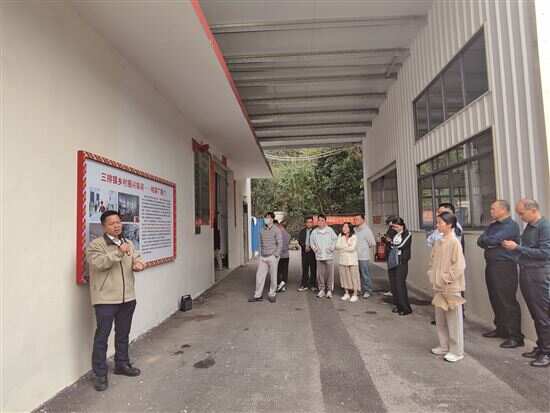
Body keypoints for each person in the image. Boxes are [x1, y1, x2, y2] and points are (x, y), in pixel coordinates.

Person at [87, 210, 146, 392]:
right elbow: (99, 263)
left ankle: (122, 364)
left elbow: (137, 258)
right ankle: (100, 374)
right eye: (112, 223)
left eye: (118, 222)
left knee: (123, 334)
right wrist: (118, 253)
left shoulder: (128, 242)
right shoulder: (96, 245)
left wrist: (139, 264)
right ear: (104, 226)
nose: (117, 226)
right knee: (102, 337)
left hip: (128, 297)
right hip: (105, 299)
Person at [503, 199, 550, 368]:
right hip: (527, 272)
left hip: (538, 274)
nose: (520, 217)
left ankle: (546, 352)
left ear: (533, 210)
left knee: (542, 314)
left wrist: (517, 248)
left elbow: (545, 253)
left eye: (522, 213)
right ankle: (541, 346)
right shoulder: (530, 227)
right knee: (535, 313)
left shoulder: (544, 227)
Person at [477, 200, 523, 347]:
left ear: (503, 210)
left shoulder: (511, 226)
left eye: (493, 209)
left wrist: (489, 241)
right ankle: (501, 329)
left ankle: (515, 336)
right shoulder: (493, 225)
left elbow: (493, 239)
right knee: (495, 297)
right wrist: (489, 241)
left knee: (506, 300)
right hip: (491, 265)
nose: (490, 211)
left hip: (504, 267)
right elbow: (481, 240)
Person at [428, 212, 466, 363]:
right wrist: (432, 275)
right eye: (437, 222)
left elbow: (459, 266)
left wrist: (446, 278)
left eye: (440, 223)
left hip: (451, 287)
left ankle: (457, 351)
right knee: (441, 319)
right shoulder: (438, 242)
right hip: (438, 286)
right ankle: (444, 346)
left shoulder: (454, 242)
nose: (437, 225)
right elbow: (432, 261)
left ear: (449, 225)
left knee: (453, 320)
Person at [249, 212, 282, 303]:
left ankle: (272, 294)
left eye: (268, 217)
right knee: (259, 276)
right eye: (265, 217)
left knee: (273, 277)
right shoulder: (261, 230)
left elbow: (280, 243)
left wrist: (276, 255)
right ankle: (257, 295)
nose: (266, 219)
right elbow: (260, 242)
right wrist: (260, 253)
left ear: (272, 219)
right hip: (263, 257)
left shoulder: (276, 230)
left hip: (272, 256)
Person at [387, 217, 413, 315]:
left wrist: (391, 243)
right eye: (394, 227)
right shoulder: (393, 233)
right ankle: (398, 305)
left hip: (401, 262)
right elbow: (387, 241)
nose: (395, 229)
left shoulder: (407, 233)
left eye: (397, 227)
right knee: (393, 284)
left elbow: (401, 245)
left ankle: (405, 307)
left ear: (402, 226)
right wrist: (390, 242)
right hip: (393, 261)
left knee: (400, 284)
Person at [310, 214, 338, 298]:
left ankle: (329, 290)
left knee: (330, 274)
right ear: (317, 221)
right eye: (319, 220)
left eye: (322, 220)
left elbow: (335, 240)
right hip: (319, 256)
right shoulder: (314, 232)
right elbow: (311, 242)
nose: (320, 222)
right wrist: (315, 249)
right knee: (320, 274)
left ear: (325, 221)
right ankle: (321, 289)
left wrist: (331, 248)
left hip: (329, 256)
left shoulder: (330, 230)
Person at [336, 222, 361, 302]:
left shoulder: (354, 236)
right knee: (344, 277)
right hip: (343, 260)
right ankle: (346, 293)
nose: (344, 228)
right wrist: (347, 246)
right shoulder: (340, 236)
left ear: (350, 228)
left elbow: (352, 248)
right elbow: (337, 246)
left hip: (352, 260)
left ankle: (355, 294)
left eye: (346, 227)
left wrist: (343, 248)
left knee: (354, 277)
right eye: (343, 227)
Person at [354, 214, 377, 298]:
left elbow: (372, 243)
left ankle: (368, 290)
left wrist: (363, 249)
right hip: (354, 256)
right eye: (355, 219)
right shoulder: (354, 230)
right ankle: (358, 289)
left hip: (363, 257)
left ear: (363, 220)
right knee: (357, 274)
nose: (355, 221)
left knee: (365, 274)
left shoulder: (367, 230)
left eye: (357, 219)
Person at [298, 216, 317, 291]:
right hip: (304, 253)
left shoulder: (315, 231)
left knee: (313, 269)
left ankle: (313, 285)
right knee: (305, 269)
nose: (309, 224)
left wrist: (311, 247)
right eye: (307, 222)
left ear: (313, 223)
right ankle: (304, 284)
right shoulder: (302, 231)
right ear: (305, 223)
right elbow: (300, 240)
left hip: (313, 253)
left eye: (310, 222)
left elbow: (317, 241)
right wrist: (304, 246)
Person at [276, 219, 291, 292]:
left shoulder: (277, 234)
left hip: (279, 255)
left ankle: (279, 284)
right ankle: (283, 285)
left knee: (279, 271)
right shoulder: (288, 235)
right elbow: (287, 245)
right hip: (286, 256)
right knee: (285, 271)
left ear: (281, 225)